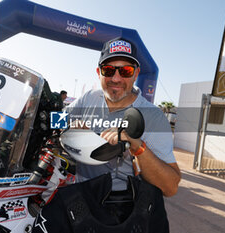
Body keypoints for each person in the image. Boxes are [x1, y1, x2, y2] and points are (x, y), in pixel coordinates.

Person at [66, 37, 181, 197]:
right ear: (99, 73)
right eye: (108, 70)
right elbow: (56, 120)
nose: (116, 79)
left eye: (126, 71)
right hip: (78, 195)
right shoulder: (89, 98)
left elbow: (170, 188)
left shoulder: (153, 117)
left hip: (118, 207)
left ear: (136, 74)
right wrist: (71, 125)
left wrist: (137, 146)